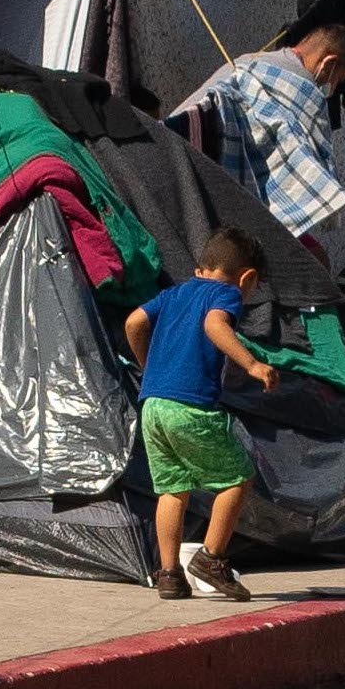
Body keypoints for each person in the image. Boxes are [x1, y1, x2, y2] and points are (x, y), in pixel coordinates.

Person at [126, 226, 282, 601]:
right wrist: (251, 364)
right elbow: (214, 324)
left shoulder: (174, 292)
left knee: (171, 489)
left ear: (200, 266)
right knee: (238, 478)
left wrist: (149, 366)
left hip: (152, 406)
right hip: (190, 407)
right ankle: (211, 558)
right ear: (247, 278)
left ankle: (169, 574)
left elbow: (133, 322)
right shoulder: (225, 293)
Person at [191, 22, 345, 242]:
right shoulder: (304, 92)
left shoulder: (247, 60)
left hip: (189, 165)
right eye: (335, 80)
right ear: (328, 63)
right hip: (222, 200)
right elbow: (318, 166)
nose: (330, 87)